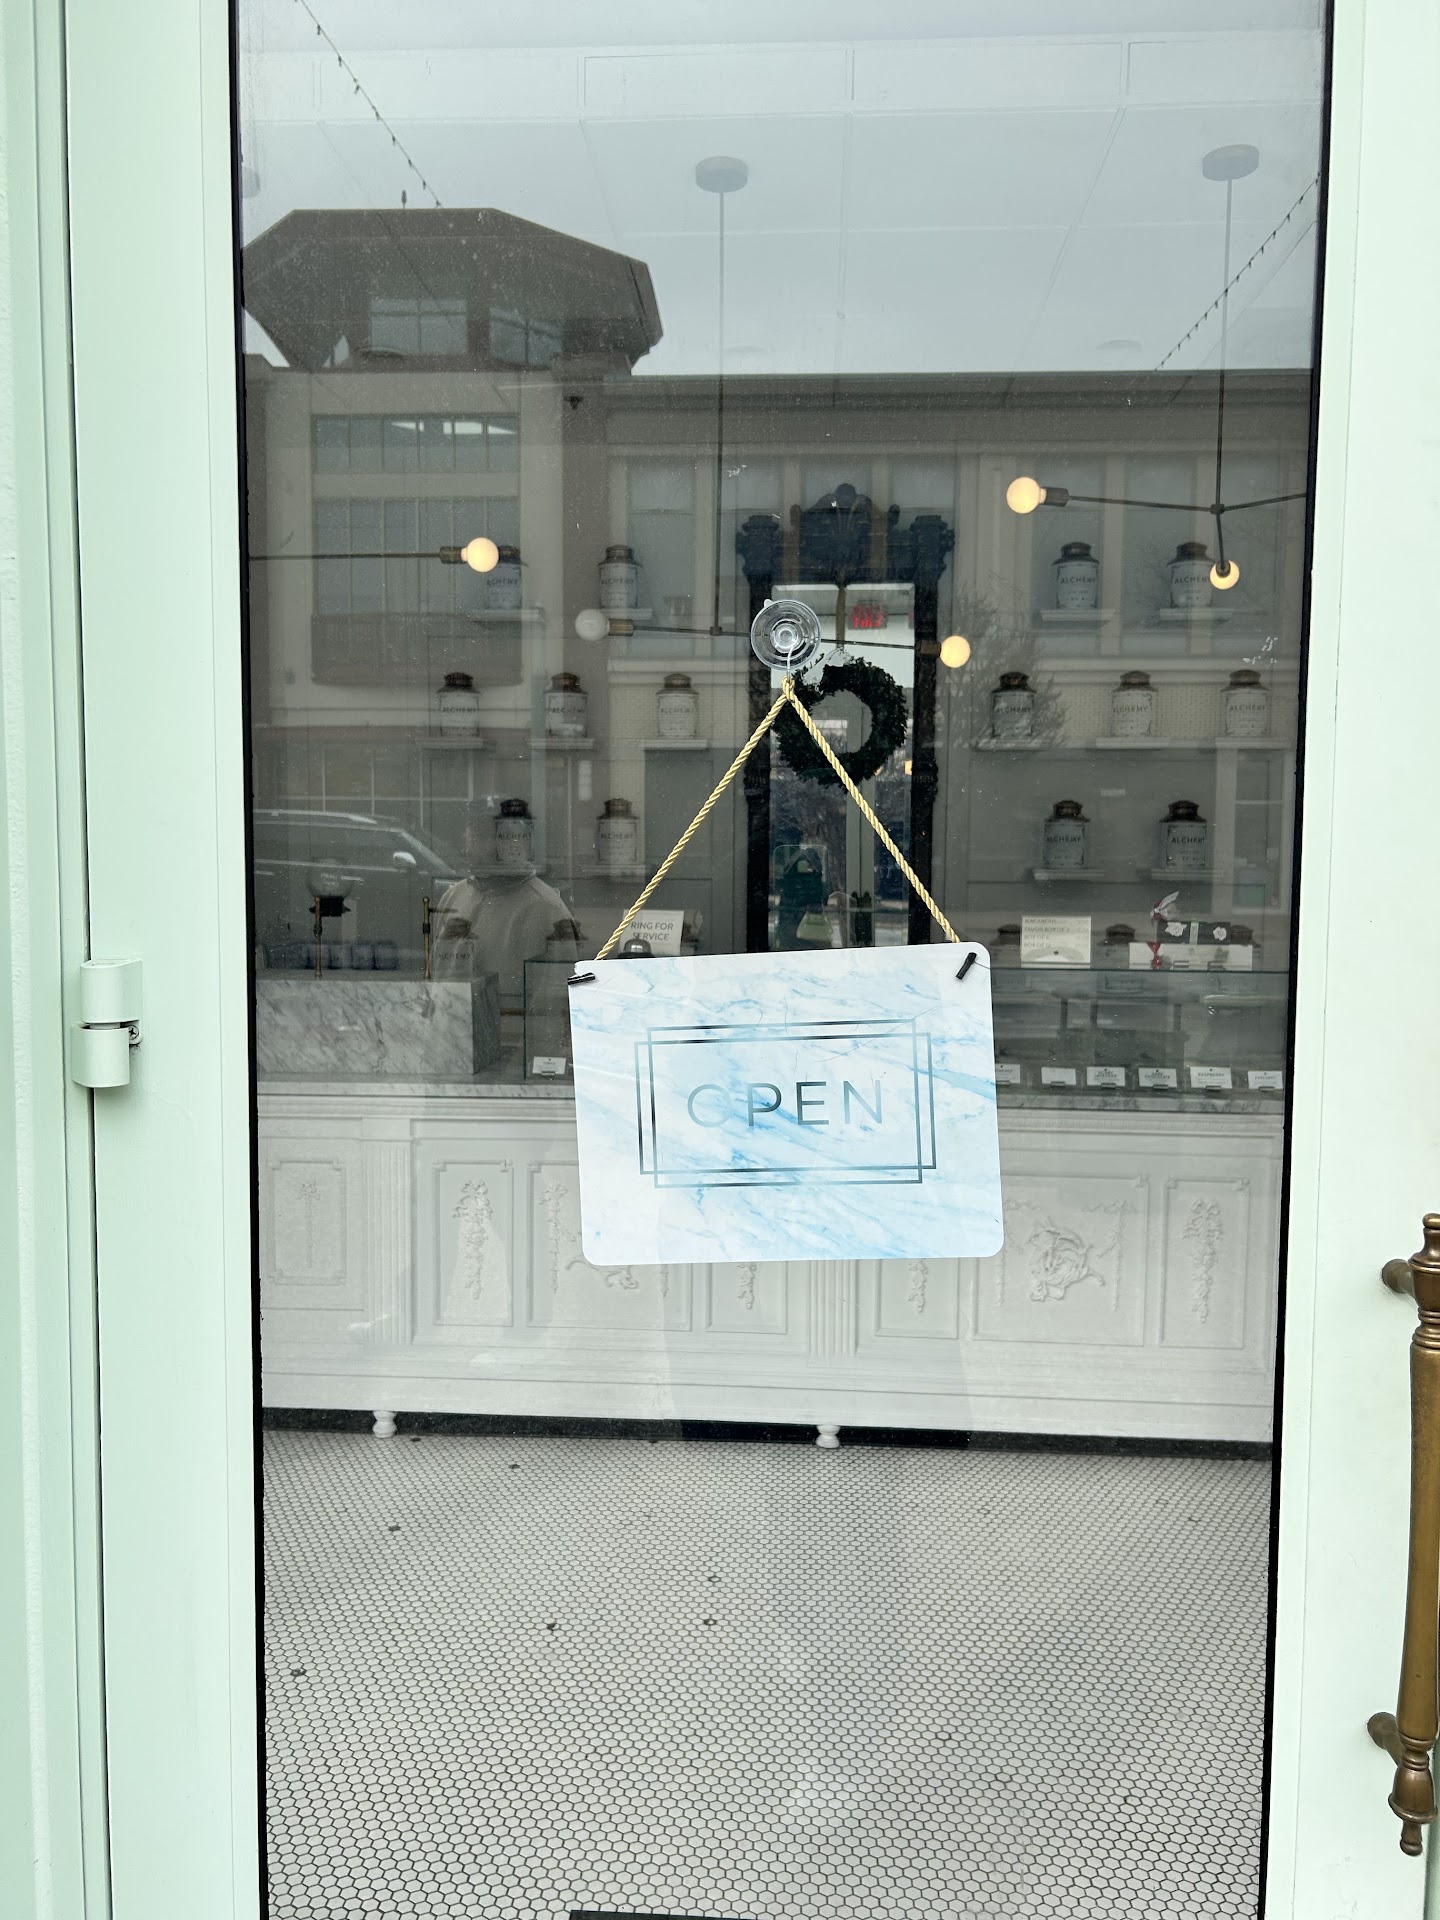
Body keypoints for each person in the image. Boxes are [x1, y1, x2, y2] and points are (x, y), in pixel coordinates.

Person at [432, 807, 578, 1003]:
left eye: (491, 836)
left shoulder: (546, 909)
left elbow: (556, 1001)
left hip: (510, 1021)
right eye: (475, 835)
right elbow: (437, 978)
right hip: (452, 1018)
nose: (477, 845)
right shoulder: (454, 897)